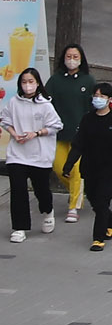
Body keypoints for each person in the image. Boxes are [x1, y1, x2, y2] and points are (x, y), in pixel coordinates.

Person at [63, 83, 112, 250]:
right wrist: (68, 165)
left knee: (103, 202)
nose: (98, 99)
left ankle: (98, 238)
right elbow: (78, 144)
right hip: (90, 168)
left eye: (102, 96)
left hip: (109, 170)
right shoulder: (88, 119)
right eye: (96, 95)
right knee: (95, 202)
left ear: (110, 99)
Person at [2, 69, 59, 241]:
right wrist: (14, 133)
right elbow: (5, 120)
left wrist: (36, 133)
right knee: (18, 190)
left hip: (40, 155)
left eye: (31, 81)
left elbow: (56, 126)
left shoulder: (45, 105)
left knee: (41, 190)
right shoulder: (14, 102)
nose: (27, 85)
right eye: (24, 82)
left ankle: (48, 210)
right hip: (17, 154)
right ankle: (19, 227)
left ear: (37, 83)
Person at [46, 43, 95, 223]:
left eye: (75, 57)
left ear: (81, 59)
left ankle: (73, 205)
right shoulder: (55, 80)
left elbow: (93, 106)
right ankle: (77, 191)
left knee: (76, 170)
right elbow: (45, 102)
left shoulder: (88, 80)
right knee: (59, 167)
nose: (72, 60)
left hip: (80, 134)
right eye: (69, 56)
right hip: (59, 132)